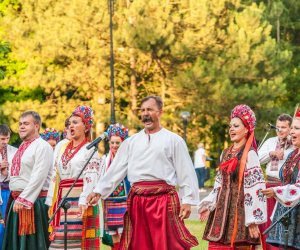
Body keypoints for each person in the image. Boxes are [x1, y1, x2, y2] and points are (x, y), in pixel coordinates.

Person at [87, 95, 199, 250]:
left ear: (160, 112)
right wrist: (99, 191)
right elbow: (115, 169)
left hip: (164, 201)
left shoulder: (174, 140)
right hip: (138, 202)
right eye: (143, 110)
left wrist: (188, 200)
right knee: (139, 245)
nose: (146, 113)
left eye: (150, 110)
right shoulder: (131, 142)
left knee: (165, 245)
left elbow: (185, 170)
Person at [199, 104, 267, 250]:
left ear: (247, 129)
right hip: (221, 213)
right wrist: (209, 204)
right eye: (230, 126)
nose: (231, 129)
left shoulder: (250, 155)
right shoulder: (225, 153)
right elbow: (219, 183)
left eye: (236, 126)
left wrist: (253, 220)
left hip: (240, 215)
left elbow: (256, 189)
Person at [45, 105, 101, 250]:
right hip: (62, 200)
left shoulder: (90, 150)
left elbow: (91, 179)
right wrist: (51, 202)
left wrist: (84, 200)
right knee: (58, 245)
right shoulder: (62, 148)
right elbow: (54, 176)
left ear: (86, 127)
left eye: (76, 122)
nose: (71, 126)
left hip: (81, 202)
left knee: (77, 244)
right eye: (70, 123)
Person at [2, 111, 53, 250]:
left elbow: (38, 177)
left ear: (36, 126)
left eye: (26, 124)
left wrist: (23, 199)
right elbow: (19, 175)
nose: (21, 127)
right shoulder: (22, 147)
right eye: (20, 124)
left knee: (32, 245)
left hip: (33, 204)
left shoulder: (43, 146)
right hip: (18, 202)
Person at [262, 108, 300, 249]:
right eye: (293, 129)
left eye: (296, 128)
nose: (291, 132)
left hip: (294, 208)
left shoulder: (293, 151)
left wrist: (277, 192)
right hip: (283, 208)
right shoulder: (291, 154)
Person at [99, 123, 130, 250]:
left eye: (117, 143)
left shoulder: (129, 158)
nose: (114, 146)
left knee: (124, 232)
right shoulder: (105, 159)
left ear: (123, 143)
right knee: (113, 232)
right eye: (112, 143)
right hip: (109, 200)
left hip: (124, 200)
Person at [0, 124, 17, 247]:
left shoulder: (15, 151)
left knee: (7, 224)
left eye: (7, 138)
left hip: (10, 191)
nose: (5, 142)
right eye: (2, 139)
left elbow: (19, 173)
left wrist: (7, 172)